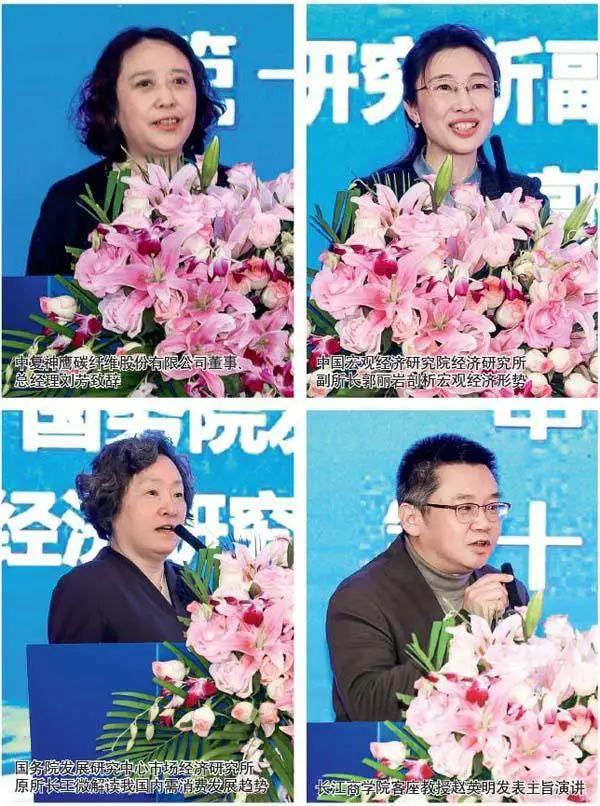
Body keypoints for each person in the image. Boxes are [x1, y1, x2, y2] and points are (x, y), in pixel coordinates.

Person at [326, 433, 529, 722]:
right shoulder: (361, 597)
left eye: (492, 507)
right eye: (465, 508)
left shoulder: (506, 588)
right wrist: (465, 629)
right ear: (412, 519)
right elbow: (369, 707)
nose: (484, 523)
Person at [27, 27, 227, 276]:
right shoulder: (71, 203)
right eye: (145, 84)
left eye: (179, 81)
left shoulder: (233, 192)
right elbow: (39, 297)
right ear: (112, 106)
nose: (167, 99)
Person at [359, 24, 547, 204]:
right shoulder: (375, 197)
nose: (465, 105)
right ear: (413, 109)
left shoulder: (524, 197)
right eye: (444, 87)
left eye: (478, 85)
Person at [48, 432, 198, 643]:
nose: (171, 509)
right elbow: (73, 665)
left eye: (178, 494)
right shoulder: (84, 588)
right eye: (152, 493)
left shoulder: (192, 585)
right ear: (112, 502)